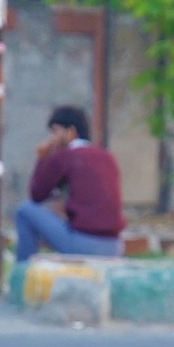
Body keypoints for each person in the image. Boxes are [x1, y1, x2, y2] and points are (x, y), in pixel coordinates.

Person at [15, 106, 124, 260]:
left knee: (25, 211)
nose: (52, 138)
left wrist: (42, 158)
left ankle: (24, 269)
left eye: (55, 131)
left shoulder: (65, 156)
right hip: (115, 246)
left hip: (84, 245)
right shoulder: (107, 157)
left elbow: (37, 195)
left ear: (70, 132)